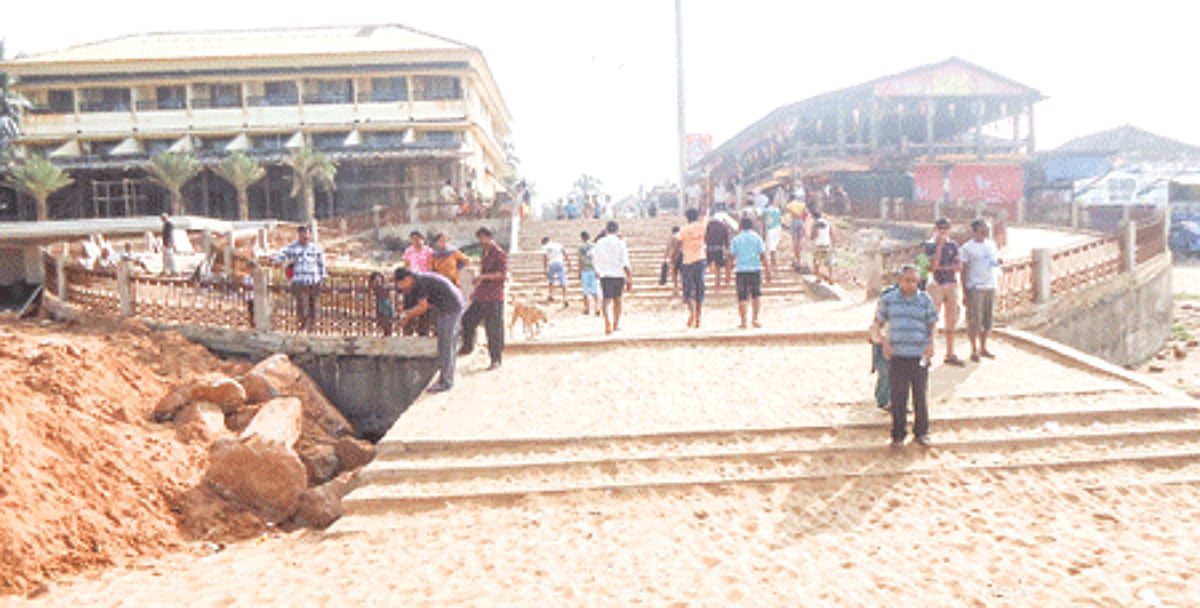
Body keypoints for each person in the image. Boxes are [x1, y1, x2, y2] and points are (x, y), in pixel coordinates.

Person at [875, 265, 937, 447]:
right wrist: (884, 342)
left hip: (918, 353)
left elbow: (932, 323)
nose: (910, 284)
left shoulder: (925, 299)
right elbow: (879, 323)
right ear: (900, 281)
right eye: (907, 280)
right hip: (897, 354)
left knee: (920, 395)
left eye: (914, 281)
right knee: (898, 396)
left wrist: (931, 343)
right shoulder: (889, 300)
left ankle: (921, 432)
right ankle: (898, 434)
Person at [395, 267, 465, 393]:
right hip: (452, 305)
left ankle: (446, 382)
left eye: (402, 284)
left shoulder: (421, 282)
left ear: (407, 278)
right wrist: (406, 312)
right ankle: (447, 376)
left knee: (445, 345)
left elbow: (422, 308)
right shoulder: (418, 281)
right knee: (449, 344)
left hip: (450, 308)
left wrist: (407, 316)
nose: (402, 287)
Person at [459, 227, 508, 370]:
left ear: (490, 237)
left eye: (483, 238)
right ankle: (467, 346)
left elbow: (502, 275)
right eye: (479, 238)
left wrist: (482, 277)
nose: (481, 241)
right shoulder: (484, 253)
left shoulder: (498, 253)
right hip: (482, 294)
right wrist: (477, 287)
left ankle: (496, 359)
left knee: (493, 329)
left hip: (494, 295)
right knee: (468, 319)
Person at [925, 218, 965, 366]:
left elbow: (959, 266)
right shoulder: (929, 245)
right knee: (931, 320)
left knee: (951, 320)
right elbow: (932, 267)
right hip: (936, 284)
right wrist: (940, 247)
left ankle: (950, 352)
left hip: (951, 284)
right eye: (940, 228)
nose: (943, 231)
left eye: (946, 228)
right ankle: (928, 352)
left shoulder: (953, 245)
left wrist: (943, 267)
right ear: (935, 229)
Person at [961, 218, 1001, 363]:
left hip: (990, 285)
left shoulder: (991, 245)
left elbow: (995, 261)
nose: (987, 230)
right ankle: (974, 349)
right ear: (976, 229)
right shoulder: (967, 248)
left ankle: (984, 347)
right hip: (976, 287)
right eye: (984, 228)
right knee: (974, 320)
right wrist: (965, 292)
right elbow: (963, 271)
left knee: (987, 319)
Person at [273, 225, 327, 332]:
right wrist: (273, 260)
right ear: (299, 235)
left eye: (307, 234)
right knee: (303, 306)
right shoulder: (292, 247)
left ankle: (313, 327)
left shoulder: (315, 248)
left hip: (314, 281)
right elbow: (280, 257)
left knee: (314, 306)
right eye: (303, 234)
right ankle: (303, 326)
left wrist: (323, 277)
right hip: (300, 281)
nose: (305, 236)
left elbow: (321, 263)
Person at [729, 216, 771, 329]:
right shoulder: (757, 238)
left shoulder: (736, 239)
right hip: (755, 269)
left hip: (741, 270)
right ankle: (755, 319)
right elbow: (762, 255)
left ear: (740, 226)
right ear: (752, 226)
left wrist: (728, 271)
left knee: (742, 297)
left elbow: (731, 256)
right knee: (756, 295)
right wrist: (767, 270)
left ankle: (743, 321)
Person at [592, 220, 632, 335]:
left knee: (606, 300)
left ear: (606, 229)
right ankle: (616, 323)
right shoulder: (620, 243)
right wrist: (629, 278)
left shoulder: (599, 242)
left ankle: (607, 322)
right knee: (618, 300)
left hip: (605, 274)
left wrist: (598, 271)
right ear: (617, 230)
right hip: (619, 274)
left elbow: (595, 259)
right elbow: (625, 262)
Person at [678, 208, 708, 328]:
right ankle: (699, 316)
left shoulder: (684, 229)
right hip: (700, 259)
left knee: (688, 290)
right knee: (700, 288)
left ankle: (692, 313)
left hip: (688, 261)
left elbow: (679, 244)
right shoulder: (702, 227)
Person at [705, 211, 732, 290]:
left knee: (707, 265)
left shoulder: (709, 225)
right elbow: (726, 239)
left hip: (710, 248)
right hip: (719, 248)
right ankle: (718, 284)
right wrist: (727, 248)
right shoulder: (723, 226)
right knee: (718, 267)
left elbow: (705, 236)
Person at [541, 236, 570, 305]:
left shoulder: (545, 247)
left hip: (552, 264)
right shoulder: (558, 245)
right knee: (563, 281)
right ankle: (565, 297)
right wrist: (569, 263)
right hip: (560, 263)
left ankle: (551, 295)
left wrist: (545, 268)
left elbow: (545, 258)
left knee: (551, 280)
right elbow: (564, 253)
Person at [578, 231, 600, 316]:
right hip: (594, 269)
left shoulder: (581, 247)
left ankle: (587, 308)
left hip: (585, 270)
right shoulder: (594, 246)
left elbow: (580, 260)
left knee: (585, 291)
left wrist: (579, 271)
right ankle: (597, 307)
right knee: (595, 290)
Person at [810, 211, 834, 284]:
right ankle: (831, 277)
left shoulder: (815, 224)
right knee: (829, 262)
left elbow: (815, 234)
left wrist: (811, 237)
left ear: (814, 217)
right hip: (827, 244)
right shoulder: (827, 223)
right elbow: (831, 233)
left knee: (816, 262)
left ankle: (818, 277)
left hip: (818, 245)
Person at [369, 271, 395, 337]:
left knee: (387, 321)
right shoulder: (377, 288)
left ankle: (387, 333)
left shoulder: (384, 288)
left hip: (385, 306)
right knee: (383, 321)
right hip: (382, 305)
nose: (378, 282)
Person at [786, 195, 808, 270]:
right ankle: (799, 258)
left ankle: (796, 258)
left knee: (794, 241)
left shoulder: (789, 205)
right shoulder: (803, 204)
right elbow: (806, 213)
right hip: (800, 221)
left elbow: (788, 213)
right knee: (799, 241)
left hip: (794, 221)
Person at [762, 199, 783, 272]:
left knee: (771, 246)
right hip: (778, 228)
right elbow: (780, 220)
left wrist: (763, 232)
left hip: (770, 229)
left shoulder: (765, 211)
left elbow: (764, 222)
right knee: (774, 245)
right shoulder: (778, 210)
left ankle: (773, 262)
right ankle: (774, 261)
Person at [664, 226, 683, 296]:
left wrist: (666, 258)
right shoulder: (681, 237)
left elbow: (668, 248)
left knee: (674, 274)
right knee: (682, 274)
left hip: (673, 257)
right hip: (681, 256)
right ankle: (683, 289)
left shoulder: (671, 238)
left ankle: (676, 289)